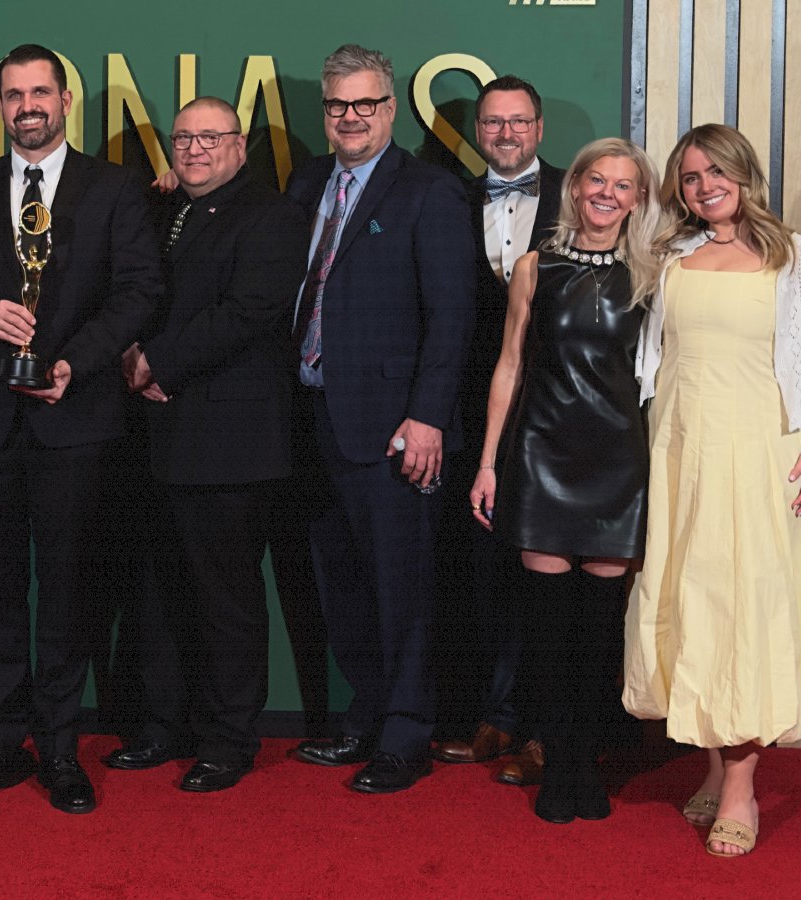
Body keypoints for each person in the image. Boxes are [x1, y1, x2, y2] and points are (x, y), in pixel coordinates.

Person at [0, 43, 163, 815]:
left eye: (40, 93)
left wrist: (73, 365)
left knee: (67, 594)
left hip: (75, 418)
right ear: (1, 108)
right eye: (14, 95)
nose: (27, 106)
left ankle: (58, 749)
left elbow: (138, 290)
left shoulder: (115, 188)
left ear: (64, 101)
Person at [624, 123, 801, 857]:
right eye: (689, 178)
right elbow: (649, 360)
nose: (703, 186)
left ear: (743, 174)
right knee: (698, 606)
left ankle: (743, 787)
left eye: (714, 171)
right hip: (682, 451)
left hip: (763, 454)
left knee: (750, 610)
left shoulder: (796, 257)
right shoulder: (672, 256)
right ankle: (719, 768)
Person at [286, 44, 475, 794]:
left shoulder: (428, 191)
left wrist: (427, 417)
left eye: (366, 104)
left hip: (395, 428)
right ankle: (366, 717)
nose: (352, 118)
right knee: (345, 586)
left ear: (390, 109)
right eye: (338, 105)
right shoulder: (307, 183)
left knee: (404, 588)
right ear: (325, 111)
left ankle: (406, 735)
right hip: (314, 419)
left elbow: (453, 313)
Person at [112, 97, 307, 792]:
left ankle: (228, 739)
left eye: (210, 138)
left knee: (224, 598)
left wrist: (156, 363)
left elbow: (249, 311)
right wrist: (132, 353)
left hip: (230, 440)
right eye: (184, 137)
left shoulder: (273, 216)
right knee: (159, 593)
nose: (194, 149)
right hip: (153, 435)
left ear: (240, 146)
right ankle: (163, 727)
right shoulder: (163, 210)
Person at [469, 137, 662, 823]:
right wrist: (490, 461)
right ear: (575, 187)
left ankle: (585, 764)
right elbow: (509, 367)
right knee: (548, 632)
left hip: (618, 464)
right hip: (542, 457)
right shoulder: (533, 267)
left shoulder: (655, 275)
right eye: (597, 180)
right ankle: (558, 766)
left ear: (639, 198)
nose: (608, 193)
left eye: (624, 184)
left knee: (597, 632)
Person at [434, 74, 563, 787]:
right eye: (492, 124)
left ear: (539, 128)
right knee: (483, 571)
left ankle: (547, 729)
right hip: (468, 411)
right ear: (477, 132)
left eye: (518, 122)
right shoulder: (443, 195)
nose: (505, 134)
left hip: (559, 411)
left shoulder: (584, 192)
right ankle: (497, 717)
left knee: (548, 573)